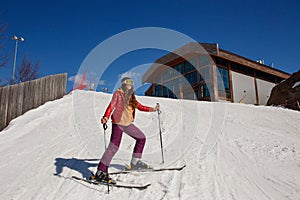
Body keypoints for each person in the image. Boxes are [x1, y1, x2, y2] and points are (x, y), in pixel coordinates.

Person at [92, 77, 159, 183]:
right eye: (127, 83)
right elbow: (111, 106)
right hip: (118, 123)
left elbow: (140, 107)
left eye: (131, 83)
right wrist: (106, 117)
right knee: (113, 147)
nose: (130, 84)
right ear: (123, 84)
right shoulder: (118, 94)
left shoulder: (131, 96)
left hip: (127, 124)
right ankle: (101, 172)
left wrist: (153, 109)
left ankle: (135, 162)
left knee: (141, 138)